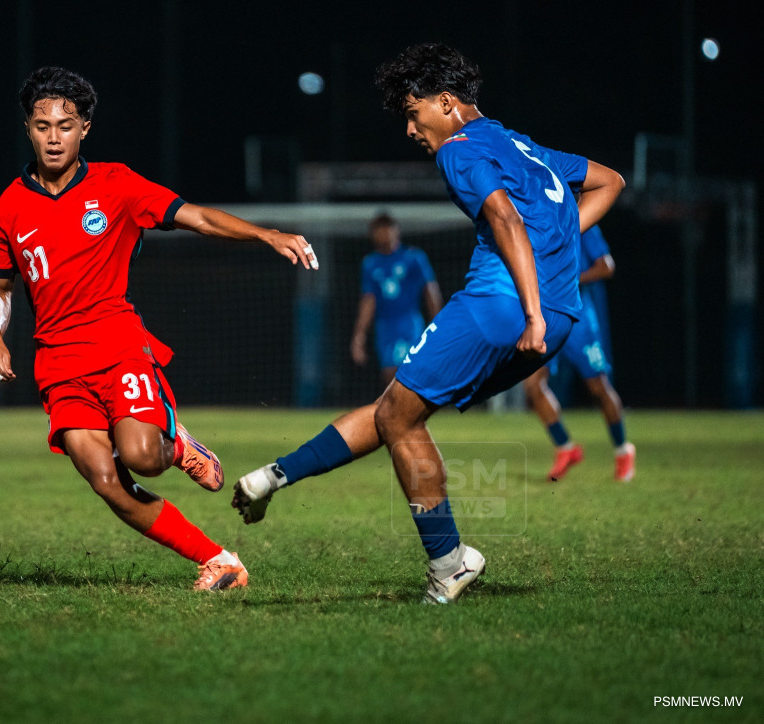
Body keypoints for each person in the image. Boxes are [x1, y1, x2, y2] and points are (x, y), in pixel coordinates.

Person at [232, 43, 625, 604]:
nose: (411, 130)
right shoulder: (521, 145)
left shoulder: (458, 150)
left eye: (413, 114)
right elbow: (611, 182)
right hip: (559, 315)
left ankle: (448, 563)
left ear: (446, 102)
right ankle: (274, 476)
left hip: (502, 306)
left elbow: (504, 217)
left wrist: (530, 308)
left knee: (398, 415)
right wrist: (551, 258)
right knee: (399, 412)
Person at [0, 66, 318, 592]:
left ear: (85, 128)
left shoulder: (116, 184)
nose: (54, 137)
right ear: (28, 128)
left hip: (117, 345)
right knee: (106, 481)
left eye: (65, 125)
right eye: (42, 126)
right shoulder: (8, 209)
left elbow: (197, 217)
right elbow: (0, 289)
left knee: (143, 456)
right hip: (58, 364)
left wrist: (265, 234)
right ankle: (218, 561)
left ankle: (176, 444)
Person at [522, 225, 635, 482]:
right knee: (533, 386)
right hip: (547, 318)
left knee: (598, 386)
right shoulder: (539, 221)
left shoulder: (579, 221)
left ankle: (623, 450)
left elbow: (606, 266)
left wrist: (570, 281)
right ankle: (566, 448)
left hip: (578, 319)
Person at [351, 212, 443, 387]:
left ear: (396, 231)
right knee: (390, 375)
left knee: (412, 371)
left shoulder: (414, 257)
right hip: (385, 327)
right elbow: (368, 301)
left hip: (410, 323)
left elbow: (431, 291)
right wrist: (359, 336)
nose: (385, 234)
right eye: (380, 230)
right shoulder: (370, 263)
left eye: (388, 229)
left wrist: (438, 324)